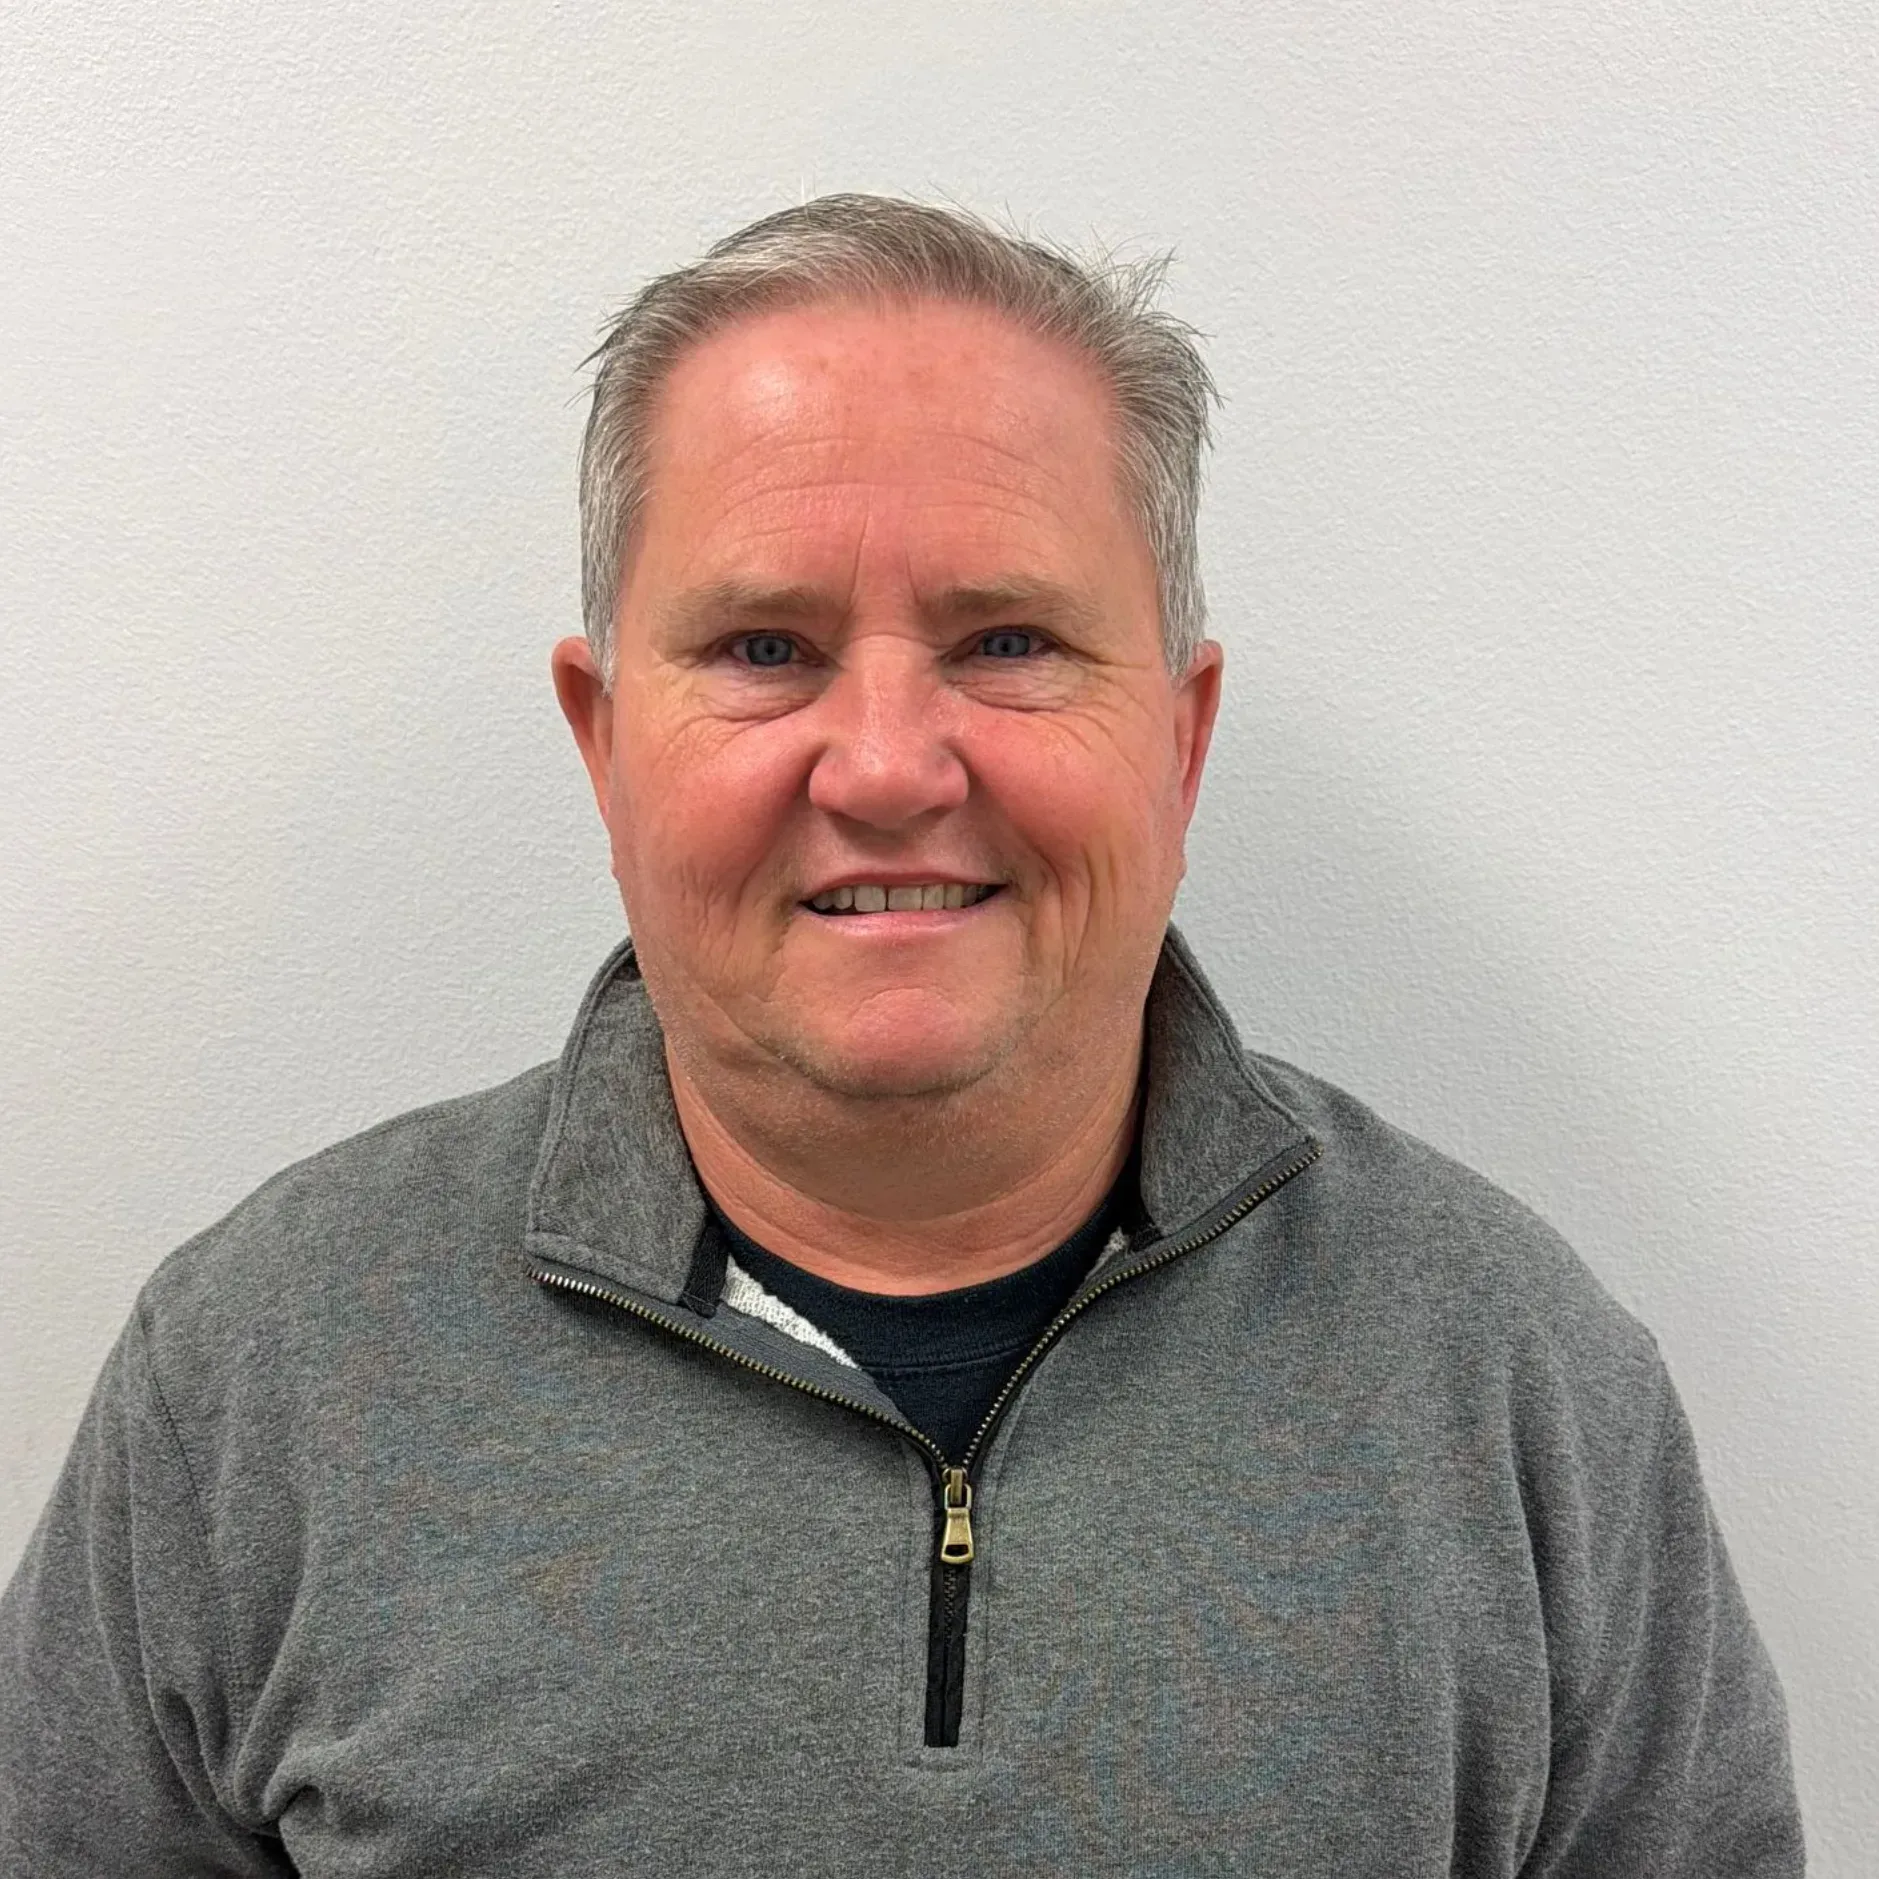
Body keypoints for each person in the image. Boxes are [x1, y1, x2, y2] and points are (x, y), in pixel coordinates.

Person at [0, 194, 1803, 1877]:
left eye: (1008, 639)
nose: (881, 765)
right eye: (766, 646)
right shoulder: (253, 1377)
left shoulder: (1520, 1391)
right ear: (601, 741)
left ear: (1176, 741)